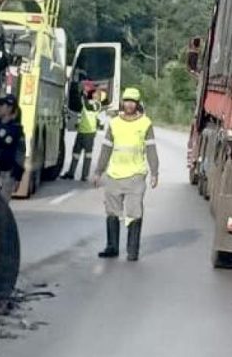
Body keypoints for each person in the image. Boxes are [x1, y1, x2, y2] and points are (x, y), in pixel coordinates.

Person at [91, 87, 159, 261]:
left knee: (134, 213)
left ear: (137, 104)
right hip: (114, 174)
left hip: (136, 175)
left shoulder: (145, 123)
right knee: (112, 212)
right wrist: (98, 172)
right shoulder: (114, 123)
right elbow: (106, 149)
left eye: (132, 101)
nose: (129, 104)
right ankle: (112, 247)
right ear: (123, 102)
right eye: (126, 100)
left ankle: (132, 250)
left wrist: (154, 172)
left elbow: (151, 149)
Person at [61, 80, 101, 181]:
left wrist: (84, 95)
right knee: (75, 154)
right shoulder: (85, 102)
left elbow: (88, 106)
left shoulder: (96, 104)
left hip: (89, 133)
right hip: (81, 132)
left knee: (88, 155)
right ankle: (71, 173)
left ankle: (85, 175)